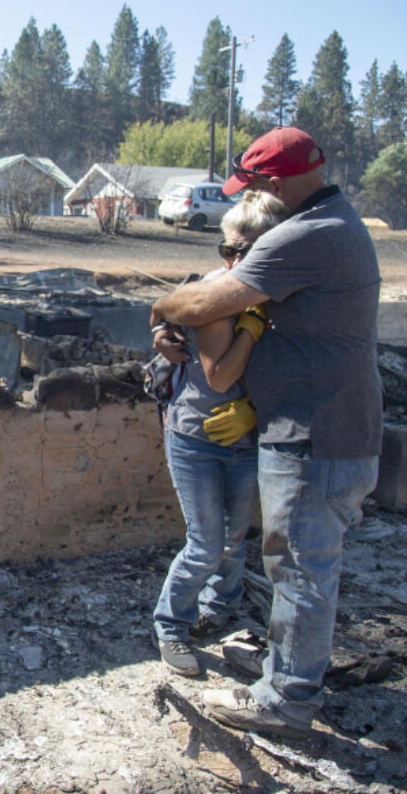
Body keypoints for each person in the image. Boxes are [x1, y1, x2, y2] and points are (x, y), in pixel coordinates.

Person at [150, 127, 382, 738]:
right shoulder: (332, 223)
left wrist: (164, 309)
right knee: (292, 565)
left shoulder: (307, 234)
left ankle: (285, 701)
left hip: (315, 438)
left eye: (252, 188)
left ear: (274, 185)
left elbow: (200, 308)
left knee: (301, 570)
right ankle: (287, 669)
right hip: (319, 429)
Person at [150, 191, 290, 678]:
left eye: (245, 252)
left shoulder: (287, 297)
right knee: (206, 542)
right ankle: (170, 624)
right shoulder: (218, 293)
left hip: (248, 439)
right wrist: (251, 323)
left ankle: (221, 608)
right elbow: (219, 377)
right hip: (195, 436)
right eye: (227, 251)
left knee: (234, 537)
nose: (233, 262)